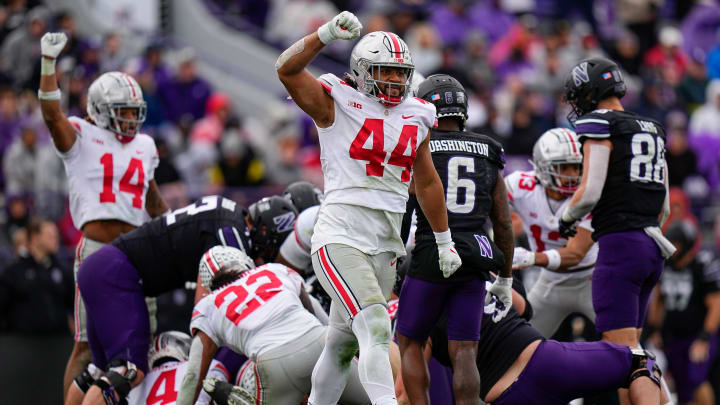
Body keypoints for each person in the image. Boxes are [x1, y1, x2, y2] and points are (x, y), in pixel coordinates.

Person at [276, 11, 462, 405]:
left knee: (341, 345)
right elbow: (287, 70)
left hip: (385, 244)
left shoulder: (416, 114)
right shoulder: (336, 103)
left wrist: (444, 240)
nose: (395, 80)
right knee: (376, 326)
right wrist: (323, 35)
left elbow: (426, 181)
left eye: (400, 73)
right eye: (385, 71)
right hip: (340, 236)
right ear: (361, 71)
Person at [38, 32, 169, 398]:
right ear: (99, 109)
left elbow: (153, 199)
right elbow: (51, 113)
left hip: (137, 251)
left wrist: (174, 235)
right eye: (122, 112)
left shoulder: (144, 145)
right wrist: (49, 66)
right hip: (96, 248)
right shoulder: (82, 136)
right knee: (85, 346)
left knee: (144, 342)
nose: (130, 119)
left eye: (133, 112)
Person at [69, 196, 295, 405]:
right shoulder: (231, 233)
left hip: (103, 267)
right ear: (265, 232)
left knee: (98, 373)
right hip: (118, 274)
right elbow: (206, 312)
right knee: (127, 373)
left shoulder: (227, 215)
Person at [558, 57, 674, 403]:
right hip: (652, 244)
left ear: (591, 92)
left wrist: (566, 218)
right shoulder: (652, 126)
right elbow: (664, 205)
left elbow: (590, 191)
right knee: (631, 348)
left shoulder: (599, 123)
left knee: (622, 352)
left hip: (622, 245)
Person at [394, 74, 514, 405]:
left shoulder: (421, 144)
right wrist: (506, 276)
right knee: (464, 350)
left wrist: (392, 257)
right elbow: (502, 222)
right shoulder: (489, 148)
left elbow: (406, 207)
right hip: (477, 254)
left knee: (409, 340)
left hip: (434, 250)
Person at [423, 278, 667, 405]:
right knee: (643, 361)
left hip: (505, 398)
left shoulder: (417, 321)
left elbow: (405, 391)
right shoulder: (479, 271)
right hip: (545, 364)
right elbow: (524, 308)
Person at [176, 247, 371, 405]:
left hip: (274, 362)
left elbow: (192, 376)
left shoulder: (208, 305)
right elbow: (315, 312)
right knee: (379, 399)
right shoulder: (274, 269)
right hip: (320, 341)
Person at [507, 128, 598, 337]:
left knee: (626, 343)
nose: (572, 175)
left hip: (591, 281)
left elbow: (575, 254)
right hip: (550, 282)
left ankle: (648, 370)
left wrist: (530, 257)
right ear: (542, 166)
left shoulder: (589, 196)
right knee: (519, 344)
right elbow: (490, 206)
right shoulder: (520, 185)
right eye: (563, 167)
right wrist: (505, 225)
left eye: (576, 167)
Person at [648, 220, 720, 405]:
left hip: (698, 335)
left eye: (676, 242)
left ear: (686, 243)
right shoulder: (666, 265)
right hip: (674, 337)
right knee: (682, 387)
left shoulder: (702, 265)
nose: (672, 247)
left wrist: (704, 338)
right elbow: (659, 298)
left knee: (695, 379)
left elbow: (716, 304)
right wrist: (655, 328)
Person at [0, 219, 73, 334]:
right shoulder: (13, 272)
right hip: (22, 345)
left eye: (56, 235)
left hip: (58, 344)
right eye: (50, 236)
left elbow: (75, 305)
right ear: (35, 238)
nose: (56, 239)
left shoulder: (62, 270)